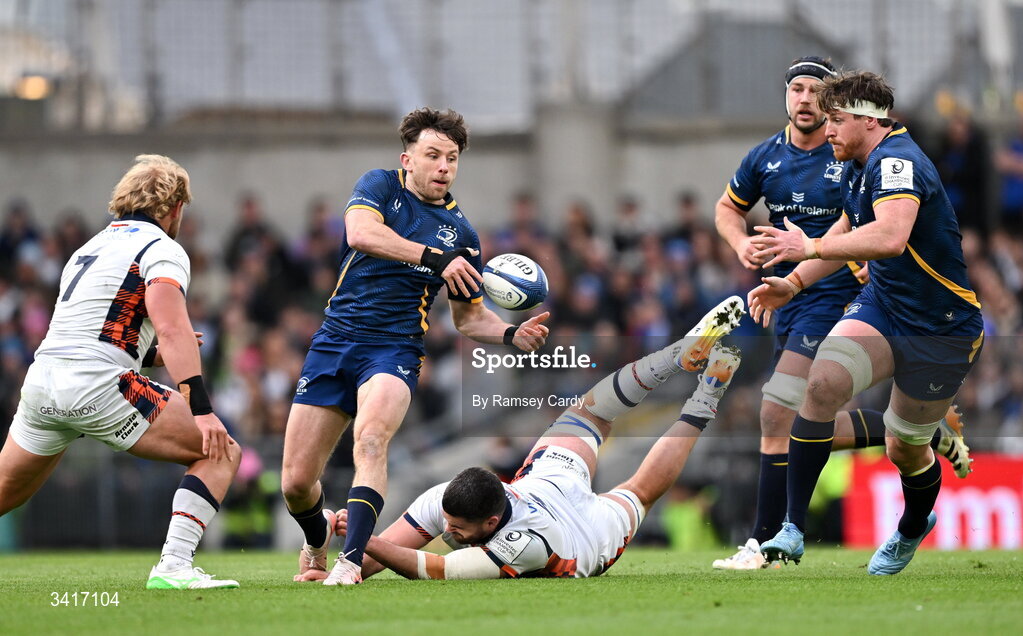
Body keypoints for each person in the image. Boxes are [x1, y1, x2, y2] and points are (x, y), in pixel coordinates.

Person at [712, 57, 970, 570]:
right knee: (816, 391)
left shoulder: (895, 162)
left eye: (834, 115)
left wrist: (811, 252)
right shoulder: (839, 164)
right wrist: (789, 278)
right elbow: (837, 230)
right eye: (804, 97)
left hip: (934, 321)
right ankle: (785, 533)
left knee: (891, 444)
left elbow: (890, 237)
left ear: (866, 119)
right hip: (863, 302)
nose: (823, 122)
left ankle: (910, 521)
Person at [282, 107, 550, 586]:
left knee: (370, 440)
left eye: (451, 157)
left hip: (395, 349)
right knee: (296, 484)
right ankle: (317, 535)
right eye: (433, 155)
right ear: (407, 159)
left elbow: (468, 319)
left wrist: (511, 334)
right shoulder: (380, 186)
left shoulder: (463, 236)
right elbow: (360, 234)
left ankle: (349, 563)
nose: (443, 166)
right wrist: (434, 258)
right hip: (335, 341)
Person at [335, 298, 745, 580]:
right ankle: (689, 368)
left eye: (458, 529)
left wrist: (361, 538)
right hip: (555, 496)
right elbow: (380, 553)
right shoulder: (447, 500)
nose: (448, 530)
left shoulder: (521, 545)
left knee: (638, 488)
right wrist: (348, 560)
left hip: (582, 535)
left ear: (491, 523)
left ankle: (699, 386)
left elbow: (432, 569)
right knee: (597, 424)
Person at [0, 155, 241, 589]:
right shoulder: (163, 248)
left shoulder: (88, 246)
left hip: (42, 383)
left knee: (6, 490)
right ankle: (174, 567)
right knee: (218, 450)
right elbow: (171, 327)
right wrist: (201, 409)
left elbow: (90, 332)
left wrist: (150, 355)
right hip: (97, 385)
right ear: (175, 208)